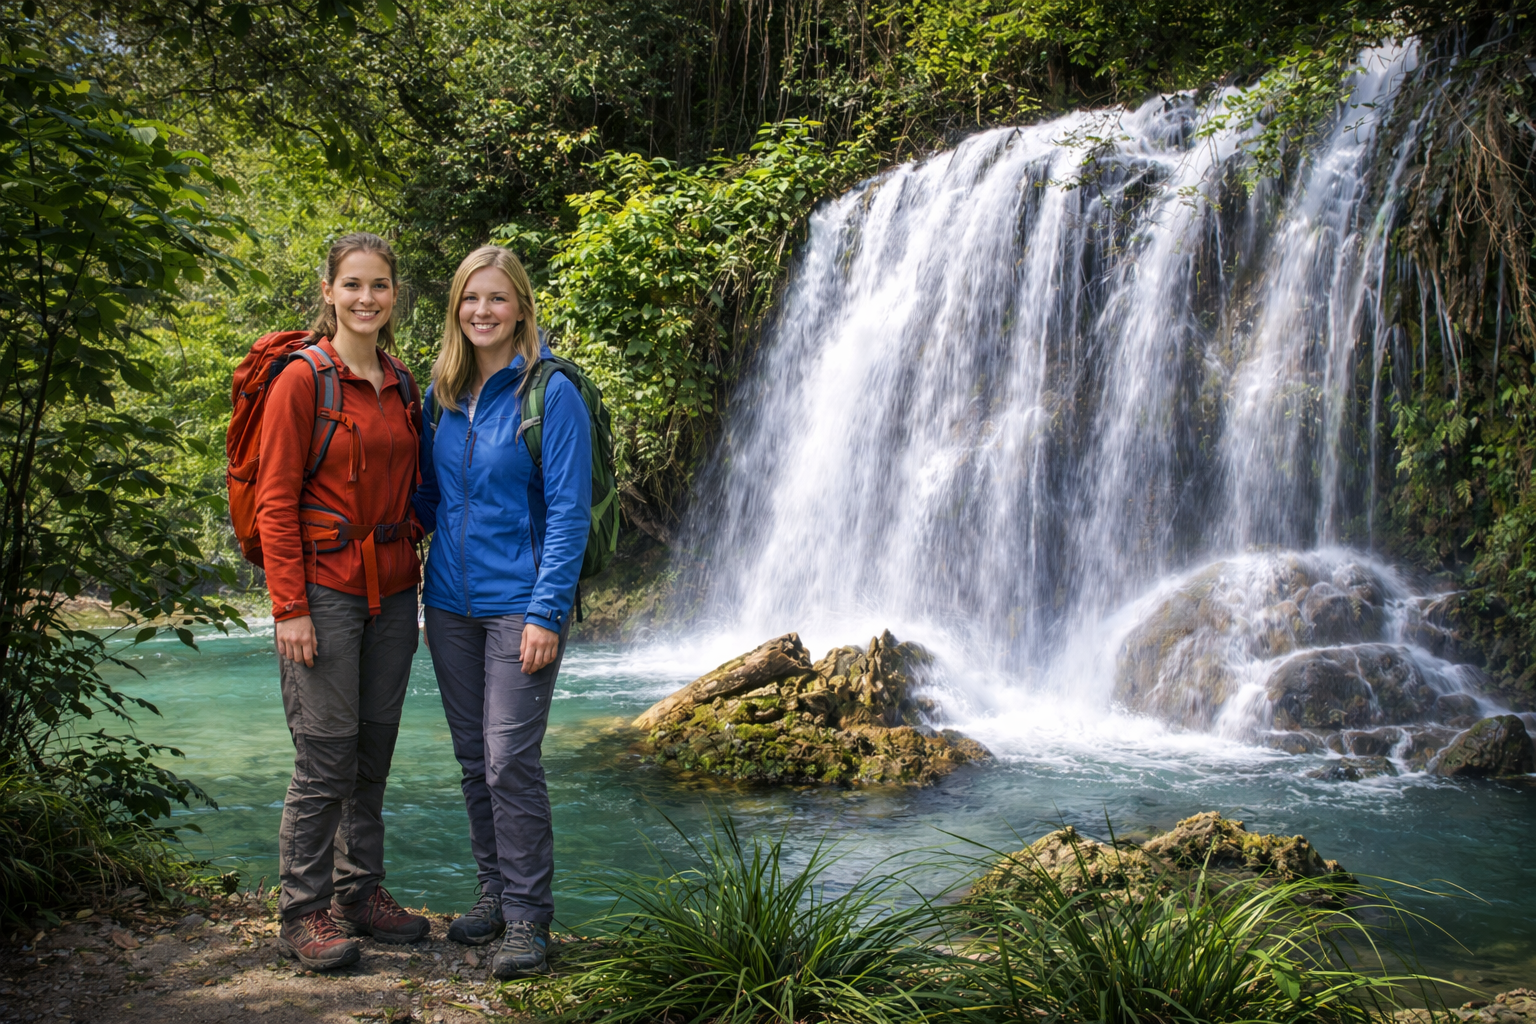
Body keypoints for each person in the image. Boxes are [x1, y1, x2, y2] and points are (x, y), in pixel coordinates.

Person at [413, 245, 591, 979]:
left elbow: (570, 514)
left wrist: (548, 613)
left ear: (520, 304)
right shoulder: (444, 394)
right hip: (449, 604)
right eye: (468, 299)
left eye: (495, 298)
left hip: (522, 606)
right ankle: (493, 894)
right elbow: (428, 501)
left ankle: (527, 919)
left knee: (509, 759)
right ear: (456, 310)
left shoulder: (552, 395)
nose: (481, 311)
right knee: (471, 760)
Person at [257, 232, 431, 970]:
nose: (367, 298)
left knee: (372, 752)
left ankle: (360, 892)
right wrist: (288, 606)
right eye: (353, 285)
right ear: (327, 291)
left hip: (394, 592)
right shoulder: (304, 380)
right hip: (323, 591)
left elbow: (419, 487)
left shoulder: (402, 382)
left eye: (380, 286)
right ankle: (303, 911)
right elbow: (275, 500)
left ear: (395, 296)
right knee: (324, 757)